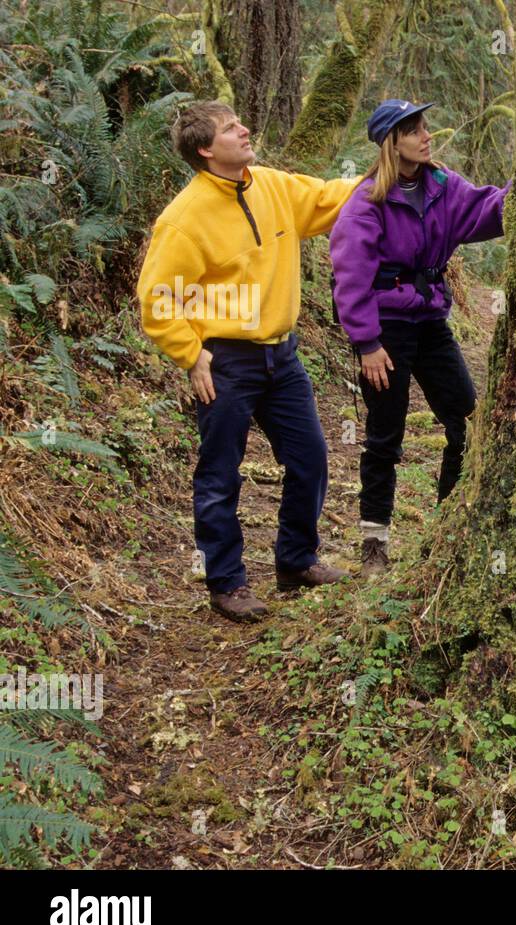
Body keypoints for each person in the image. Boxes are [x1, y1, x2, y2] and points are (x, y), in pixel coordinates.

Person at [137, 100, 362, 623]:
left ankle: (296, 562)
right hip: (227, 363)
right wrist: (191, 355)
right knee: (220, 475)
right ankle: (227, 583)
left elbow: (332, 198)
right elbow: (159, 299)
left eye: (239, 121)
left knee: (310, 459)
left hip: (282, 357)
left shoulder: (272, 186)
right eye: (229, 128)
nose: (244, 130)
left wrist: (388, 174)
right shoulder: (184, 218)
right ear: (205, 149)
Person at [330, 98, 510, 578]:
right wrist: (367, 344)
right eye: (414, 130)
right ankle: (374, 543)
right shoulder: (365, 204)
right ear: (392, 143)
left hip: (430, 322)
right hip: (385, 330)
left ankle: (448, 524)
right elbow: (349, 279)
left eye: (426, 126)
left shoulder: (441, 186)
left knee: (467, 420)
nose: (427, 135)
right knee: (385, 435)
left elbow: (486, 208)